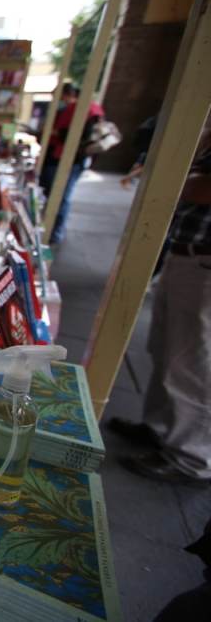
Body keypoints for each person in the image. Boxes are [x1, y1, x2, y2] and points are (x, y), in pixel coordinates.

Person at [110, 116, 211, 486]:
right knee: (167, 348)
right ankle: (162, 428)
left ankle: (192, 455)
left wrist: (171, 176)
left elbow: (201, 187)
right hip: (188, 254)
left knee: (193, 360)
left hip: (204, 263)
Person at [39, 82, 104, 244]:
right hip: (66, 159)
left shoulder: (82, 110)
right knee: (59, 195)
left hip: (68, 159)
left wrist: (55, 132)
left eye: (58, 97)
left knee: (61, 196)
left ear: (67, 95)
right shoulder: (88, 109)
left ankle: (55, 232)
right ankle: (54, 230)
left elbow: (78, 134)